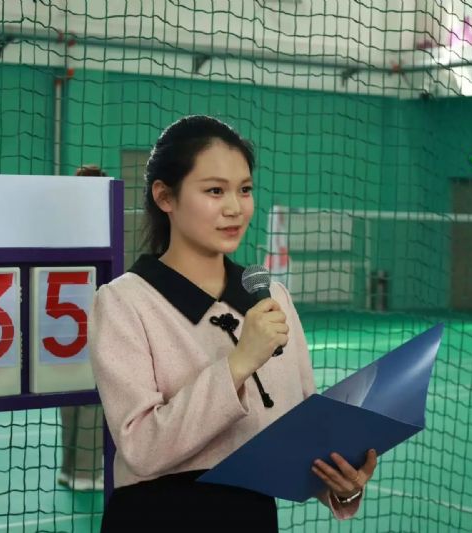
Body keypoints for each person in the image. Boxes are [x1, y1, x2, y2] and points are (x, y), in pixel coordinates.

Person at [88, 116, 378, 531]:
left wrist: (339, 484)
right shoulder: (123, 301)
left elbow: (299, 435)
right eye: (214, 191)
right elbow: (142, 447)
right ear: (165, 196)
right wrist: (238, 363)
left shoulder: (272, 296)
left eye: (244, 190)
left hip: (251, 516)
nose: (235, 208)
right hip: (158, 516)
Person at [56, 163, 107, 491]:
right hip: (89, 323)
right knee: (92, 398)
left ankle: (69, 468)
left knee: (71, 397)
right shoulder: (100, 225)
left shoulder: (61, 224)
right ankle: (86, 474)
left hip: (59, 329)